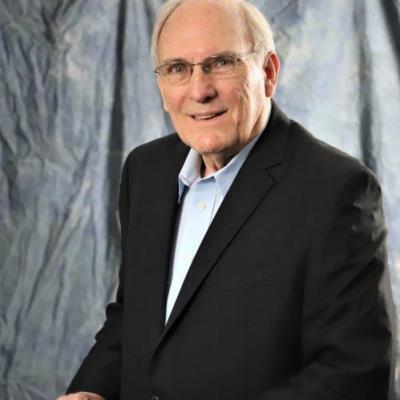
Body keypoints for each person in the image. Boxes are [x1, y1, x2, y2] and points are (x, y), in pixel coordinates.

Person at [57, 0, 393, 399]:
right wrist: (91, 391)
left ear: (268, 73)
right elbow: (135, 317)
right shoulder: (145, 171)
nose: (200, 90)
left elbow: (355, 372)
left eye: (221, 63)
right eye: (178, 68)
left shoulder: (335, 189)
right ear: (161, 86)